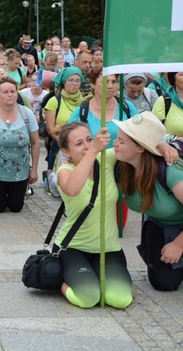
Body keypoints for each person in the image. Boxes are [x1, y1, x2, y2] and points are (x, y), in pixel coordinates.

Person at [54, 123, 132, 309]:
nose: (88, 146)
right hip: (73, 247)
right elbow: (73, 188)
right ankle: (58, 284)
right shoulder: (64, 171)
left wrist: (164, 145)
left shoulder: (107, 159)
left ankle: (95, 276)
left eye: (89, 139)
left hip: (108, 248)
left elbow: (136, 148)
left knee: (120, 300)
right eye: (79, 143)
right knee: (88, 298)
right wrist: (93, 150)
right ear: (66, 151)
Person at [112, 112, 183, 291]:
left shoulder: (169, 171)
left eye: (121, 141)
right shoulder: (121, 166)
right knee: (164, 283)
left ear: (141, 148)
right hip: (157, 223)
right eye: (117, 139)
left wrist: (177, 245)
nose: (115, 144)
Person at [0, 78, 39, 212]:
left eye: (13, 91)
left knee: (16, 207)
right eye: (5, 92)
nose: (10, 94)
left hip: (19, 172)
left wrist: (33, 170)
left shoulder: (26, 113)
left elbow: (35, 142)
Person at [68, 68, 136, 146]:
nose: (110, 86)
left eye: (114, 82)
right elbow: (71, 143)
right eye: (105, 82)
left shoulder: (127, 108)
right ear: (92, 84)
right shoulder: (81, 113)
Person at [44, 67, 86, 174]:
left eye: (77, 80)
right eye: (70, 80)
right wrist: (66, 146)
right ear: (64, 82)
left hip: (82, 147)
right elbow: (50, 128)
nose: (74, 83)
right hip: (59, 146)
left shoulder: (85, 102)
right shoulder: (54, 101)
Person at [153, 72, 183, 137]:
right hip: (173, 146)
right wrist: (174, 139)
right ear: (173, 79)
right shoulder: (164, 100)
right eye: (182, 74)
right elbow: (154, 131)